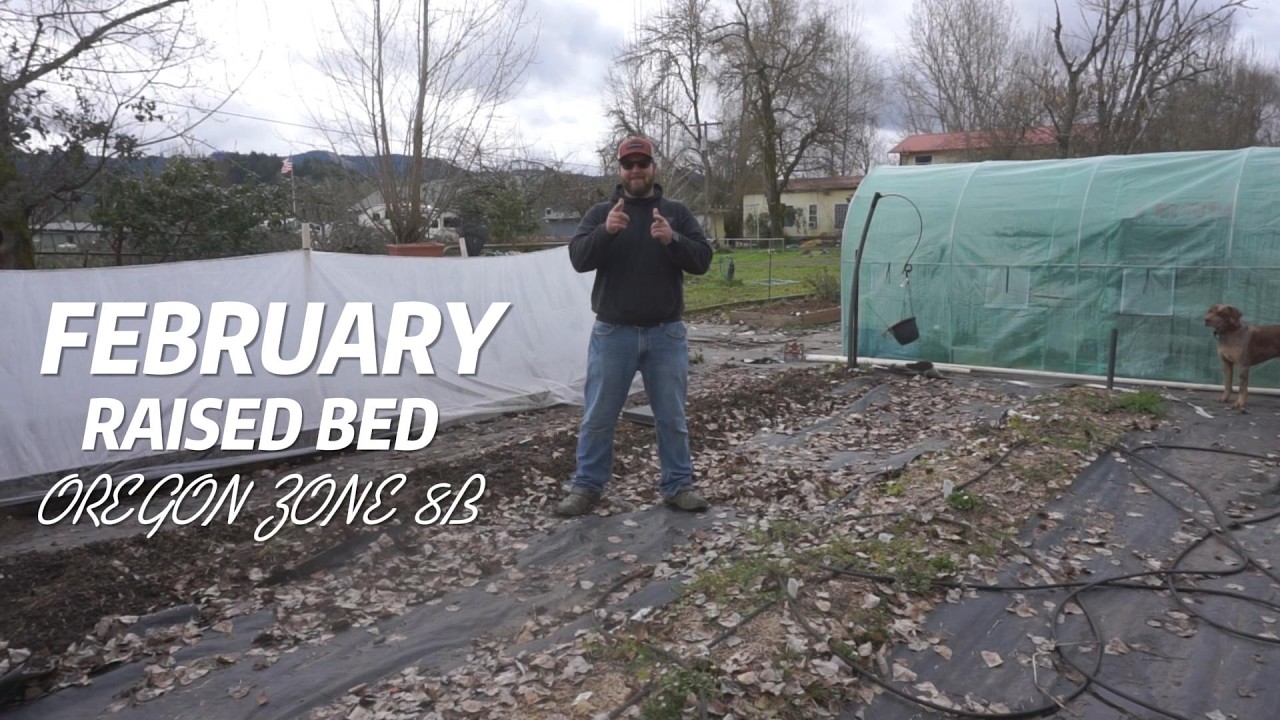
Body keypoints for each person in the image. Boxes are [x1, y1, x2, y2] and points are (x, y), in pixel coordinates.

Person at [556, 136, 714, 517]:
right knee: (598, 417)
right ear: (620, 170)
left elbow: (703, 260)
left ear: (654, 168)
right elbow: (578, 258)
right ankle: (587, 486)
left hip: (666, 334)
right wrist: (606, 232)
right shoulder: (602, 213)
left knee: (671, 418)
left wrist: (672, 239)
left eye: (643, 163)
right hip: (613, 333)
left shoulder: (675, 213)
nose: (636, 170)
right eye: (629, 164)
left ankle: (678, 485)